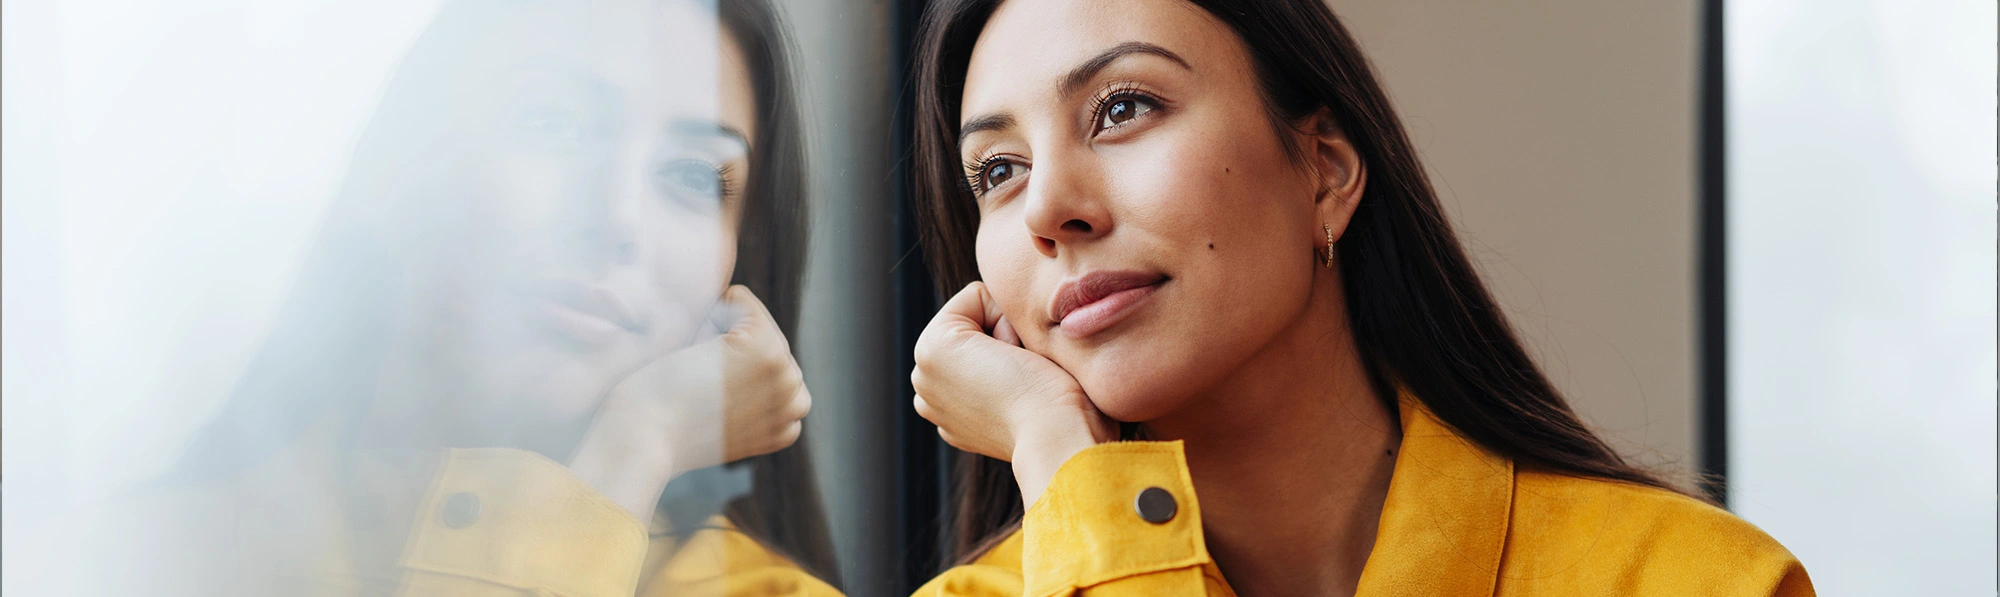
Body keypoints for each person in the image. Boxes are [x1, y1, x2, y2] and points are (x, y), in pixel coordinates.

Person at [905, 0, 1814, 595]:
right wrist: (1060, 455)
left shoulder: (1694, 582)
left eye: (1123, 108)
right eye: (998, 170)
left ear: (1325, 170)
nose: (1052, 209)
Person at [105, 1, 841, 595]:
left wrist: (636, 446)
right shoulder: (116, 559)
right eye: (552, 123)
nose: (619, 218)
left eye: (692, 175)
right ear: (398, 168)